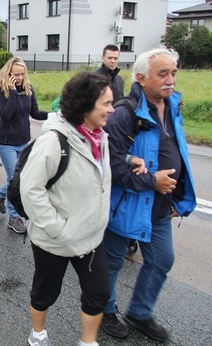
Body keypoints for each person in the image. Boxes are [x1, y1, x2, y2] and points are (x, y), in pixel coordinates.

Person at [100, 48, 196, 342]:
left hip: (160, 207)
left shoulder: (173, 107)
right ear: (141, 78)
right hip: (124, 206)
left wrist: (179, 194)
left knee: (162, 260)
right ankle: (105, 309)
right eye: (163, 73)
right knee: (113, 262)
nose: (171, 80)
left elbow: (176, 152)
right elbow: (112, 167)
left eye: (174, 72)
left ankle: (140, 312)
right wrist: (152, 181)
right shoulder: (123, 114)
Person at [21, 72, 114, 346]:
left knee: (99, 293)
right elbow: (30, 189)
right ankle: (38, 333)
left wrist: (131, 160)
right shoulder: (54, 142)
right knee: (45, 293)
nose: (112, 109)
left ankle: (88, 342)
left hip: (91, 236)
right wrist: (58, 229)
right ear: (85, 106)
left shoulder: (100, 137)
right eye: (106, 103)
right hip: (55, 239)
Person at [0, 57, 49, 234]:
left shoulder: (28, 89)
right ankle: (14, 217)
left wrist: (55, 116)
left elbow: (36, 113)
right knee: (14, 180)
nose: (20, 77)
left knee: (22, 178)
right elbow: (5, 116)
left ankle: (0, 194)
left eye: (23, 74)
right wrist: (13, 92)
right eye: (16, 74)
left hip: (24, 141)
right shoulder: (0, 90)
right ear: (9, 74)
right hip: (7, 142)